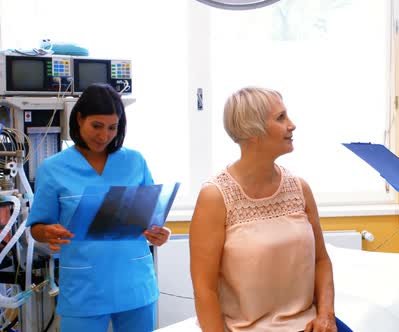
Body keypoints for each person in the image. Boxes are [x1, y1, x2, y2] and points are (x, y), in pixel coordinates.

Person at [189, 87, 352, 332]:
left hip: (309, 324)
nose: (292, 125)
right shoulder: (215, 196)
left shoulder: (300, 188)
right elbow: (205, 288)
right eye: (281, 118)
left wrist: (326, 315)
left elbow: (321, 260)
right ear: (252, 130)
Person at [27, 83, 171, 332]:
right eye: (97, 126)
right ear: (80, 119)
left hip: (134, 283)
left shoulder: (135, 162)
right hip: (84, 288)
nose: (104, 136)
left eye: (112, 127)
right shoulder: (53, 169)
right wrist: (47, 232)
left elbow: (151, 218)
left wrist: (160, 233)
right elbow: (38, 227)